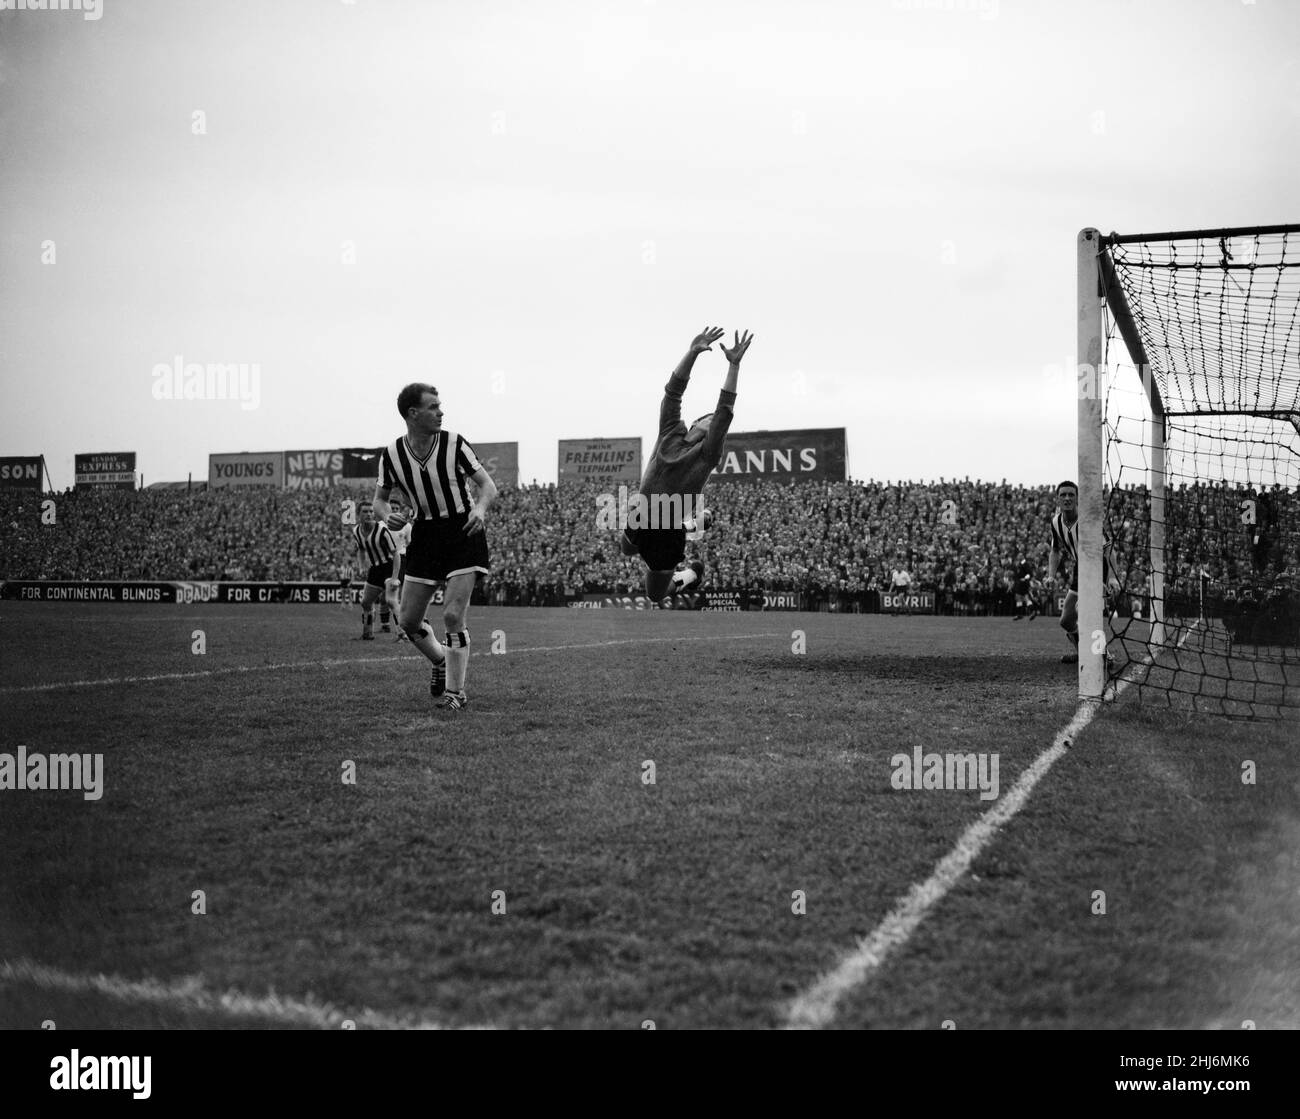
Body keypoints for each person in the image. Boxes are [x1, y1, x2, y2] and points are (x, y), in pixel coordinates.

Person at [373, 383, 498, 711]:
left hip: (462, 530)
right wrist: (389, 517)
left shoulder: (455, 443)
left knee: (453, 614)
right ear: (413, 414)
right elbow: (379, 501)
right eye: (433, 407)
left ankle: (456, 693)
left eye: (440, 406)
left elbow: (487, 485)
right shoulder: (392, 455)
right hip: (425, 535)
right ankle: (440, 661)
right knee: (409, 622)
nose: (441, 412)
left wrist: (480, 510)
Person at [620, 326, 752, 601]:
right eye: (708, 419)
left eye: (714, 424)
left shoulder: (707, 455)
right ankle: (693, 527)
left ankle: (690, 573)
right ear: (696, 423)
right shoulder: (670, 431)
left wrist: (734, 367)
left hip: (668, 531)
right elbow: (672, 393)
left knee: (655, 594)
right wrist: (692, 353)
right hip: (645, 511)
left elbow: (724, 412)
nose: (713, 422)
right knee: (626, 549)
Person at [1046, 480, 1119, 665]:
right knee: (1066, 621)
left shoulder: (1088, 521)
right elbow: (1055, 550)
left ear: (1078, 498)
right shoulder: (1055, 522)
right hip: (1081, 568)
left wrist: (1111, 577)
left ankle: (1103, 655)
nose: (1067, 498)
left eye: (1071, 494)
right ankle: (1082, 653)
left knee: (1087, 612)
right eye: (1063, 495)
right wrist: (1051, 576)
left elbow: (1109, 550)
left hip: (1098, 567)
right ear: (1057, 499)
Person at [350, 501, 397, 640]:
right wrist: (362, 565)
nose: (369, 514)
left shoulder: (382, 529)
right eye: (365, 512)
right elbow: (361, 550)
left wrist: (395, 576)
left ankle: (403, 635)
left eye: (371, 511)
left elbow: (396, 554)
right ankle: (367, 633)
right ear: (358, 514)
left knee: (391, 601)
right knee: (365, 602)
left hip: (389, 566)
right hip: (375, 569)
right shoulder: (356, 531)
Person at [1011, 555, 1037, 620]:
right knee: (1022, 597)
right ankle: (1029, 612)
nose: (1018, 557)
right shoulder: (1021, 564)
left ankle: (1024, 613)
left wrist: (1024, 578)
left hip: (1022, 583)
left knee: (1021, 597)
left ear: (1022, 557)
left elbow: (1030, 573)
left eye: (1019, 556)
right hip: (1020, 582)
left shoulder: (1025, 564)